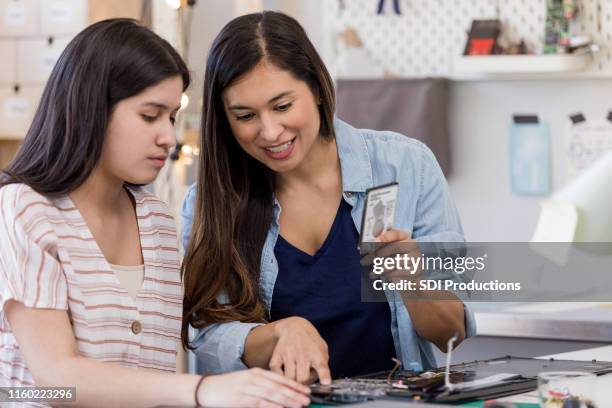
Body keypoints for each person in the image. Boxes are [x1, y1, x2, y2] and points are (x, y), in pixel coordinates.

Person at [0, 18, 310, 408]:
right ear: (90, 107)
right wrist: (200, 390)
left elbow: (166, 364)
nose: (168, 137)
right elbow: (55, 381)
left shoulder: (156, 220)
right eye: (150, 116)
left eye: (172, 117)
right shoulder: (25, 211)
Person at [181, 10, 476, 385]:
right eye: (245, 115)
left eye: (283, 106)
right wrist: (279, 333)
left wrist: (413, 281)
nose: (270, 131)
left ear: (317, 89)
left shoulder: (405, 166)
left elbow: (452, 334)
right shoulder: (210, 202)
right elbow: (206, 336)